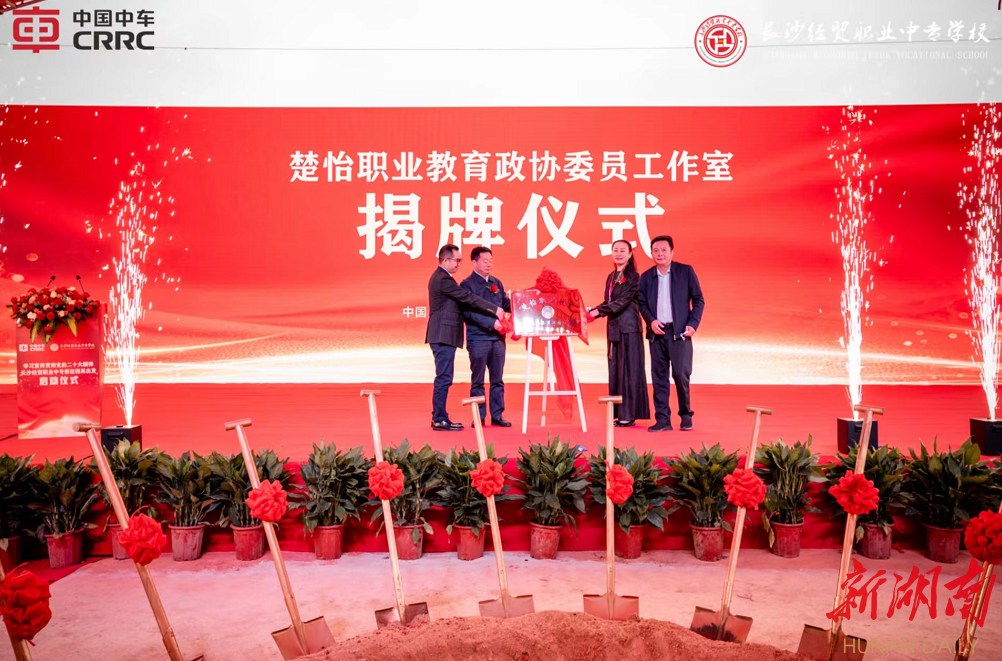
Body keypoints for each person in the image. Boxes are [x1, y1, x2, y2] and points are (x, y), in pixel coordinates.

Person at [426, 244, 504, 431]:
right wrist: (494, 309)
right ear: (446, 259)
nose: (458, 264)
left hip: (445, 335)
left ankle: (440, 417)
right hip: (442, 335)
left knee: (445, 377)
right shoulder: (443, 279)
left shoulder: (444, 277)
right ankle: (439, 419)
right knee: (444, 378)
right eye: (457, 260)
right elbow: (468, 298)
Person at [638, 235, 705, 432]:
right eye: (655, 251)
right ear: (651, 253)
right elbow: (641, 303)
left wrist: (692, 324)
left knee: (681, 375)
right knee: (659, 378)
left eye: (663, 250)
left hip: (680, 333)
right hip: (657, 334)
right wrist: (651, 321)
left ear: (672, 252)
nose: (660, 254)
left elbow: (698, 299)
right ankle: (662, 419)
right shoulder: (646, 277)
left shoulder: (685, 272)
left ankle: (685, 415)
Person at [588, 239, 650, 427]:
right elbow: (608, 302)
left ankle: (629, 415)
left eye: (623, 250)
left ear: (630, 254)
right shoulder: (611, 276)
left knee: (630, 371)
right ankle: (619, 413)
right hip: (614, 329)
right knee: (616, 370)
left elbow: (622, 302)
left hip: (629, 329)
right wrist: (592, 311)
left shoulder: (634, 277)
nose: (619, 253)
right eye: (616, 250)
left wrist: (597, 312)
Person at [461, 247, 512, 427]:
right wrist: (492, 323)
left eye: (490, 260)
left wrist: (524, 305)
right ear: (474, 262)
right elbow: (468, 313)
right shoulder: (467, 285)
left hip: (497, 339)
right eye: (485, 261)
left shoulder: (496, 282)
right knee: (478, 380)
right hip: (478, 338)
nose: (489, 264)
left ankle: (497, 415)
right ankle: (479, 416)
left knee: (497, 379)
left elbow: (505, 304)